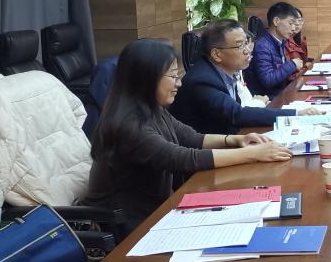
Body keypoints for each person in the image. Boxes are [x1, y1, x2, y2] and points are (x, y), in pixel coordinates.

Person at [82, 38, 293, 236]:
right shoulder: (128, 126)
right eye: (173, 76)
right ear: (147, 78)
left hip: (158, 210)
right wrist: (252, 154)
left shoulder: (151, 108)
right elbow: (183, 158)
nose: (179, 83)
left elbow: (192, 138)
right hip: (130, 227)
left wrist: (234, 140)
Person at [170, 19, 316, 135]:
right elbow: (237, 114)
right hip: (203, 156)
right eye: (240, 46)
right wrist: (295, 114)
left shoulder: (225, 72)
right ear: (216, 54)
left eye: (246, 43)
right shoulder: (203, 81)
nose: (247, 51)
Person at [245, 2, 310, 98]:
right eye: (290, 23)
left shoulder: (280, 42)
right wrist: (292, 65)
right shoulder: (262, 46)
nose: (293, 28)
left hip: (280, 94)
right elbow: (268, 80)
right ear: (276, 21)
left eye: (295, 24)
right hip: (267, 99)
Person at [285, 6, 310, 82]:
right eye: (293, 21)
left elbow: (303, 64)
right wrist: (306, 69)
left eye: (299, 20)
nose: (297, 24)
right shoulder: (284, 42)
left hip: (300, 79)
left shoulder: (301, 40)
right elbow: (288, 75)